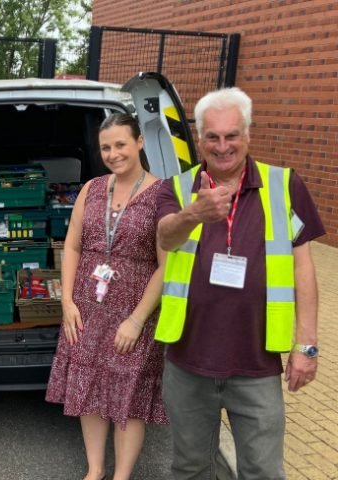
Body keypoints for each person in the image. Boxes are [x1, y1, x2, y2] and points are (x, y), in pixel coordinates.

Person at [155, 87, 325, 479]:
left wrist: (307, 345)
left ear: (248, 134)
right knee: (190, 467)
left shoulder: (284, 185)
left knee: (263, 470)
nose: (222, 146)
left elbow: (304, 269)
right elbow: (166, 237)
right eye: (212, 137)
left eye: (232, 135)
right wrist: (193, 213)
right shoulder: (178, 188)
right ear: (199, 141)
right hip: (188, 360)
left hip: (257, 363)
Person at [46, 112, 169, 480]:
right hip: (86, 306)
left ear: (139, 143)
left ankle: (122, 475)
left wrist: (137, 319)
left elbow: (166, 267)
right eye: (106, 147)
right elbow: (72, 247)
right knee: (88, 386)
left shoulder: (163, 194)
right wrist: (67, 302)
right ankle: (95, 470)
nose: (113, 153)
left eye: (121, 144)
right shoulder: (93, 188)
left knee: (128, 395)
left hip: (134, 312)